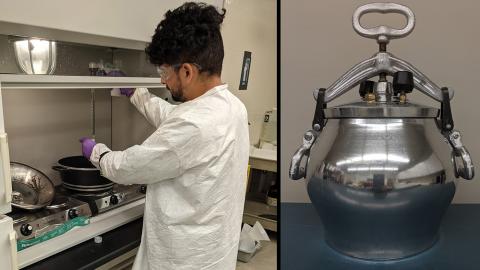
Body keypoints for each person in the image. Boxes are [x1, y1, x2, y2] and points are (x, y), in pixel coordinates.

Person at [80, 2, 249, 269]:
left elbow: (127, 167)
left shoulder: (194, 124)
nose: (162, 81)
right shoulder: (232, 107)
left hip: (183, 259)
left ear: (187, 71)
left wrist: (97, 154)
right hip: (215, 250)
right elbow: (177, 122)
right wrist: (136, 93)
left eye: (164, 73)